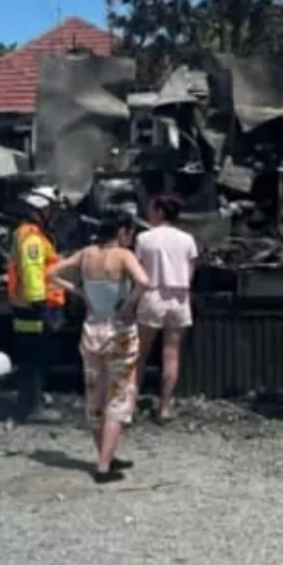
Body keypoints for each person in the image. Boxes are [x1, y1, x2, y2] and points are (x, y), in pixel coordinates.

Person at [48, 212, 149, 482]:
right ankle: (104, 466)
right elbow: (144, 282)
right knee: (118, 395)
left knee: (96, 395)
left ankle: (105, 454)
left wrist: (79, 291)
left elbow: (52, 272)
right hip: (119, 331)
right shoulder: (124, 256)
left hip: (91, 329)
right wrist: (128, 305)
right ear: (122, 232)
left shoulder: (86, 254)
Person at [6, 185, 67, 424]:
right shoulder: (31, 237)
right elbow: (32, 272)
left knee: (33, 356)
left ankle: (33, 399)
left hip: (28, 305)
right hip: (35, 308)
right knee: (34, 358)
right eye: (51, 209)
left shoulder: (28, 234)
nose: (54, 215)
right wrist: (40, 305)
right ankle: (32, 407)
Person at [135, 194, 199, 422]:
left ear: (160, 212)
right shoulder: (187, 239)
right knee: (171, 353)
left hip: (153, 294)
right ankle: (164, 406)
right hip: (179, 297)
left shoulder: (144, 238)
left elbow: (138, 270)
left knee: (140, 354)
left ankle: (130, 404)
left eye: (151, 209)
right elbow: (191, 271)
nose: (149, 213)